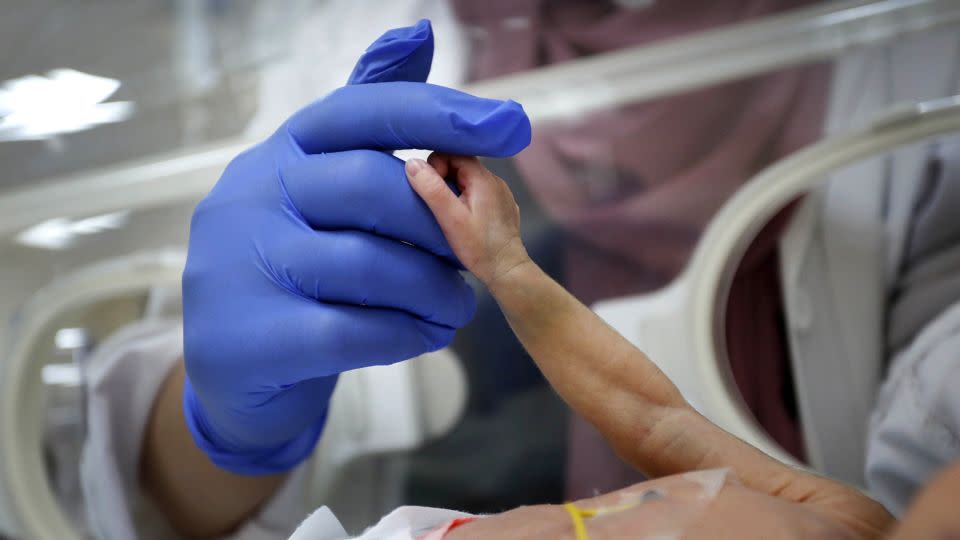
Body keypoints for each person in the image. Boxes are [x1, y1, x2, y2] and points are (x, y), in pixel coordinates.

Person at [76, 16, 960, 540]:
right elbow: (652, 418)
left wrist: (504, 265)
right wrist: (223, 429)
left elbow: (655, 423)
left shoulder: (914, 56)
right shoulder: (329, 43)